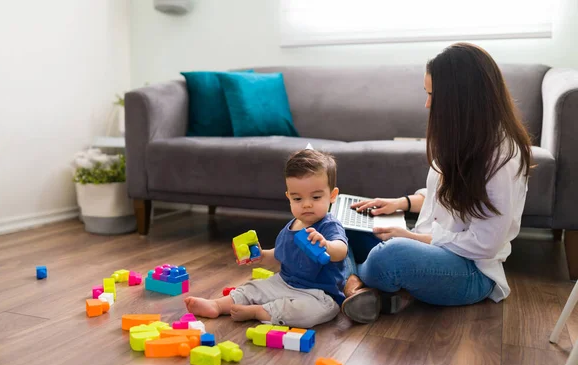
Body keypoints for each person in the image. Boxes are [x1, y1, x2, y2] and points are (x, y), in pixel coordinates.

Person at [341, 42, 533, 324]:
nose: (427, 103)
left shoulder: (502, 159)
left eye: (433, 95)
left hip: (470, 271)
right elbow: (441, 198)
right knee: (341, 221)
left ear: (460, 97)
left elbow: (485, 245)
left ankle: (351, 283)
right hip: (430, 243)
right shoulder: (464, 137)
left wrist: (412, 238)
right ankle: (369, 289)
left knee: (392, 255)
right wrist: (400, 203)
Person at [185, 149, 349, 328]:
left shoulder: (329, 225)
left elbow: (341, 251)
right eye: (297, 198)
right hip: (284, 282)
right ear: (289, 197)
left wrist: (326, 245)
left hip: (320, 294)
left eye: (316, 197)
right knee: (253, 287)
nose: (307, 204)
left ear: (332, 196)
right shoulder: (291, 227)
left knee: (310, 312)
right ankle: (217, 305)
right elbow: (279, 255)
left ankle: (260, 311)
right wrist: (262, 256)